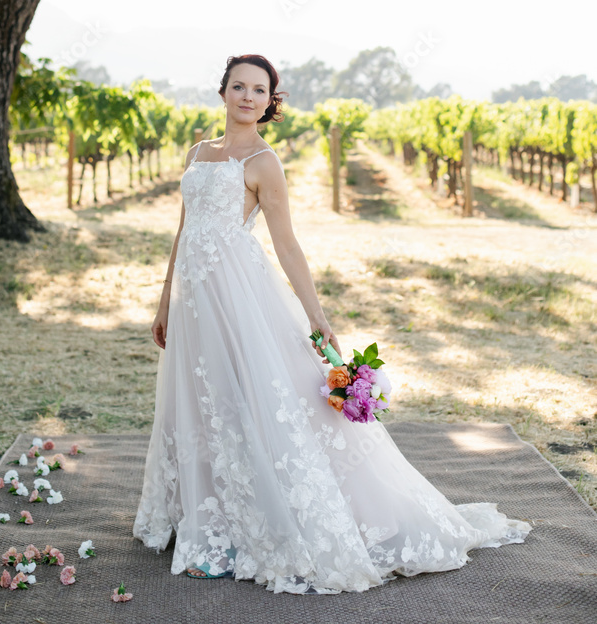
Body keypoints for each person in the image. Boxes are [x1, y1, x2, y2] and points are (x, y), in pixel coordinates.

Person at [132, 53, 531, 594]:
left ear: (270, 102)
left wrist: (316, 315)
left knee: (251, 397)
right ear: (223, 92)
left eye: (259, 90)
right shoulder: (198, 153)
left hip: (239, 294)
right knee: (203, 399)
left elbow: (287, 244)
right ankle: (205, 519)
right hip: (194, 298)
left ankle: (247, 529)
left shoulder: (265, 162)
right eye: (239, 86)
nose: (248, 96)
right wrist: (165, 302)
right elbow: (183, 234)